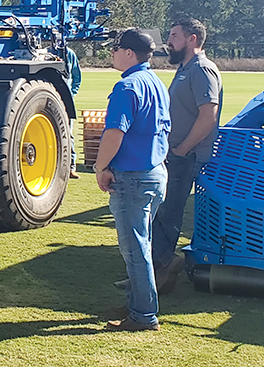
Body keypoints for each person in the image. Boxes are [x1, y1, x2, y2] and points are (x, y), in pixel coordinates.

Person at [95, 28, 170, 332]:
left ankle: (143, 314)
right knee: (143, 244)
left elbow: (115, 133)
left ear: (129, 53)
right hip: (154, 172)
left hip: (133, 176)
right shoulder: (155, 82)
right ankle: (137, 304)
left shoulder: (128, 87)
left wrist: (101, 167)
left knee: (134, 249)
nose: (111, 53)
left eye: (115, 48)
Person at [150, 18, 222, 293]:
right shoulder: (185, 69)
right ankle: (152, 275)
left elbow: (208, 117)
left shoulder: (202, 70)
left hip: (186, 157)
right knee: (159, 213)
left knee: (168, 216)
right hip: (175, 155)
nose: (169, 41)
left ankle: (163, 269)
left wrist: (181, 150)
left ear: (192, 39)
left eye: (174, 35)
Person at [65, 46, 82, 179]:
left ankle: (71, 167)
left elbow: (77, 77)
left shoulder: (70, 54)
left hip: (66, 101)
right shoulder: (47, 53)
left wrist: (72, 94)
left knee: (69, 134)